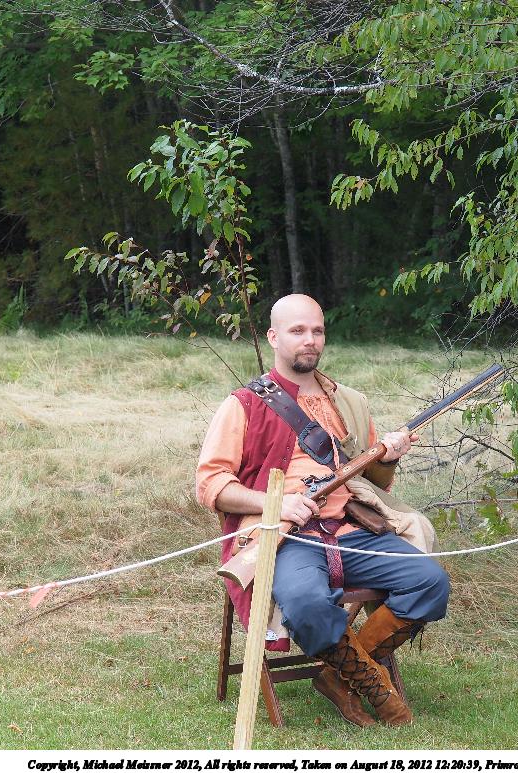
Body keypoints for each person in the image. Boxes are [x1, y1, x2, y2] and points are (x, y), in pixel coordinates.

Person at [196, 294, 450, 727]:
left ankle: (338, 677)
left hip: (352, 529)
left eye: (317, 331)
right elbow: (210, 484)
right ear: (274, 337)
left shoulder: (348, 402)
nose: (309, 340)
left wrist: (388, 457)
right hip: (286, 538)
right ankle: (371, 684)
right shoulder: (243, 404)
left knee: (429, 582)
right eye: (297, 331)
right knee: (305, 603)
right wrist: (275, 503)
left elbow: (375, 482)